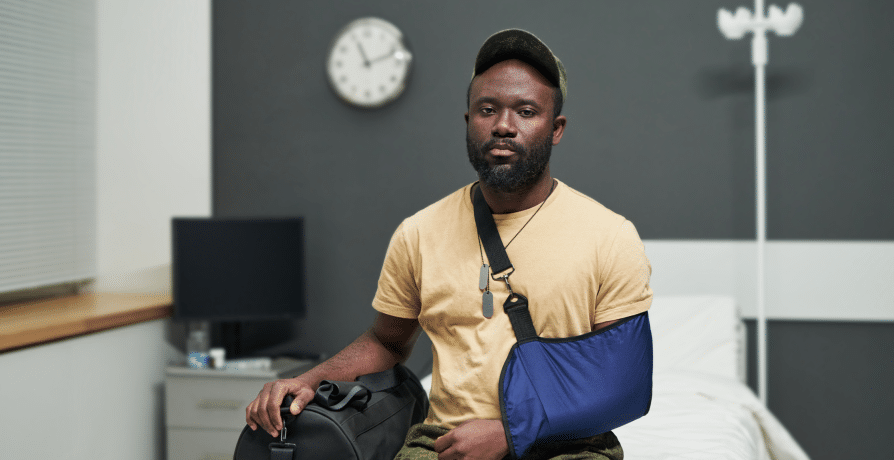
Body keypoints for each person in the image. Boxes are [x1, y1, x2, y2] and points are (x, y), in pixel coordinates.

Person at [246, 29, 653, 460]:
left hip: (568, 444)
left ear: (556, 129)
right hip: (446, 443)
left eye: (527, 111)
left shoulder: (608, 236)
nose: (503, 125)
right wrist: (311, 378)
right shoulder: (419, 232)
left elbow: (621, 384)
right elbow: (388, 342)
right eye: (487, 109)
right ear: (468, 122)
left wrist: (510, 433)